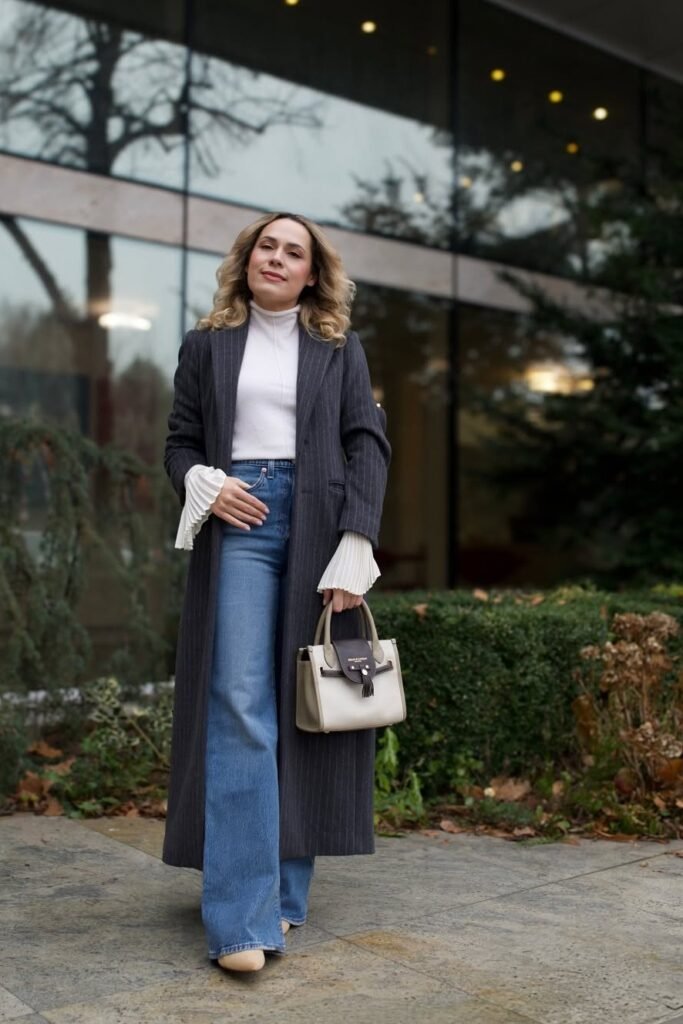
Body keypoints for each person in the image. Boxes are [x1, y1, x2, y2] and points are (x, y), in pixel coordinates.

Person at [162, 211, 391, 973]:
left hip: (318, 525)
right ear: (249, 258)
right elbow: (180, 440)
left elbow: (367, 441)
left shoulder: (337, 348)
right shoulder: (206, 345)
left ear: (311, 273)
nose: (279, 257)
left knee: (303, 709)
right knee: (238, 704)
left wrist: (355, 543)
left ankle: (283, 899)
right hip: (241, 521)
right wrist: (203, 480)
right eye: (269, 245)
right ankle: (240, 921)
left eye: (295, 251)